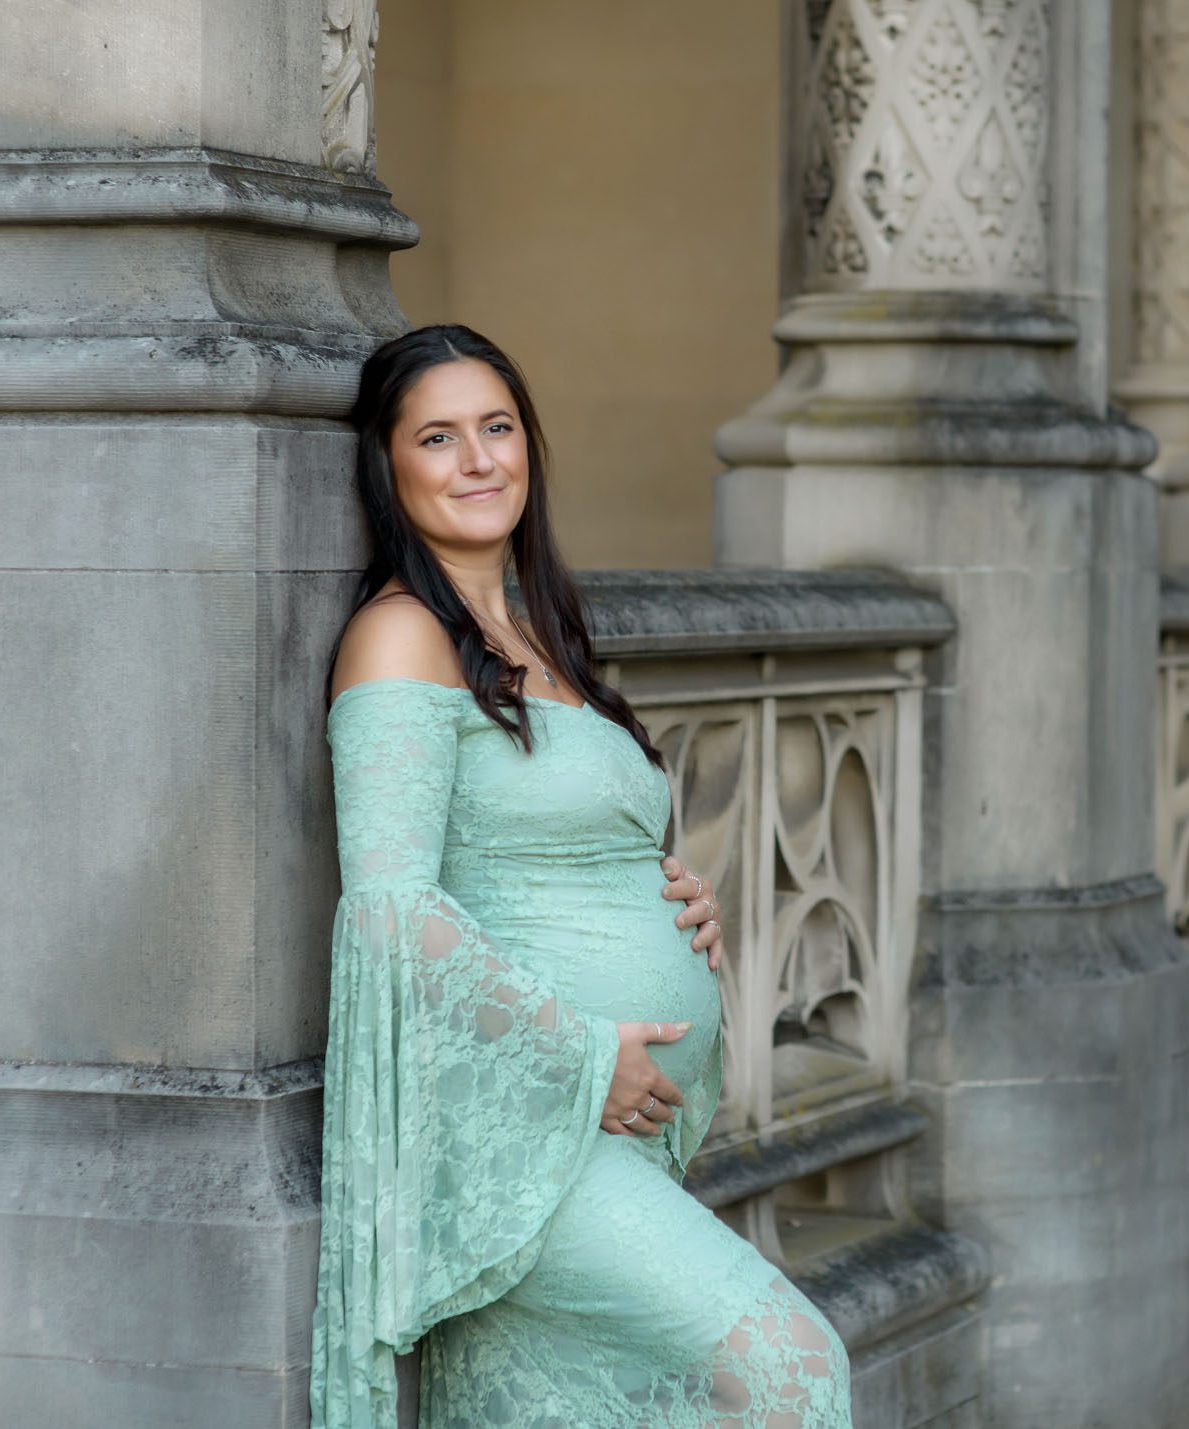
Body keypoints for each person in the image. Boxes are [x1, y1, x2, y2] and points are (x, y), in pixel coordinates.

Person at [307, 324, 853, 1428]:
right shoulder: (400, 637)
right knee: (792, 1366)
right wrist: (574, 1051)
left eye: (497, 428)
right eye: (439, 437)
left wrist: (670, 894)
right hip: (526, 1130)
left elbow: (559, 838)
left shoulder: (538, 629)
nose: (478, 460)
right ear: (387, 465)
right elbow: (390, 910)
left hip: (611, 1125)